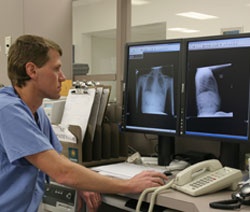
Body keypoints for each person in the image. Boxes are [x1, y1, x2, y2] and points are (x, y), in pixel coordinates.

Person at [0, 34, 167, 212]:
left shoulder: (35, 111)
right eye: (56, 69)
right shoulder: (7, 111)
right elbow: (62, 172)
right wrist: (128, 185)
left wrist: (82, 182)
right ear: (32, 70)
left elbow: (58, 160)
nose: (63, 77)